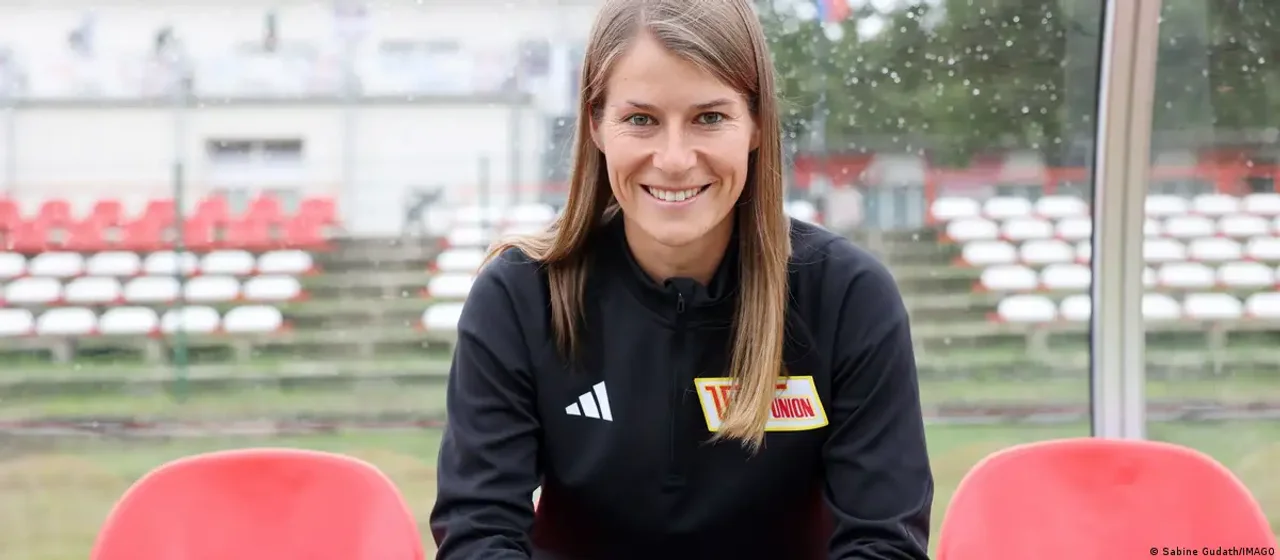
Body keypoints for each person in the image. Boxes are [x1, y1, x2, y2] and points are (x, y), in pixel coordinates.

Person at [429, 0, 933, 558]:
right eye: (640, 120)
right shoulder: (520, 297)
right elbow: (478, 535)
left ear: (757, 123)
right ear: (596, 124)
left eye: (709, 118)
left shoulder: (847, 297)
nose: (673, 159)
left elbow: (884, 543)